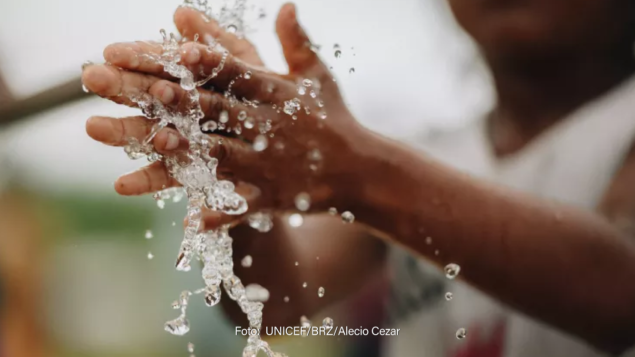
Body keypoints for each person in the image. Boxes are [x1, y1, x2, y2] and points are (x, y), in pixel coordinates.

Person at [80, 1, 635, 356]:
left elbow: (621, 293)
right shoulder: (438, 154)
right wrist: (230, 174)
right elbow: (275, 301)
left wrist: (359, 171)